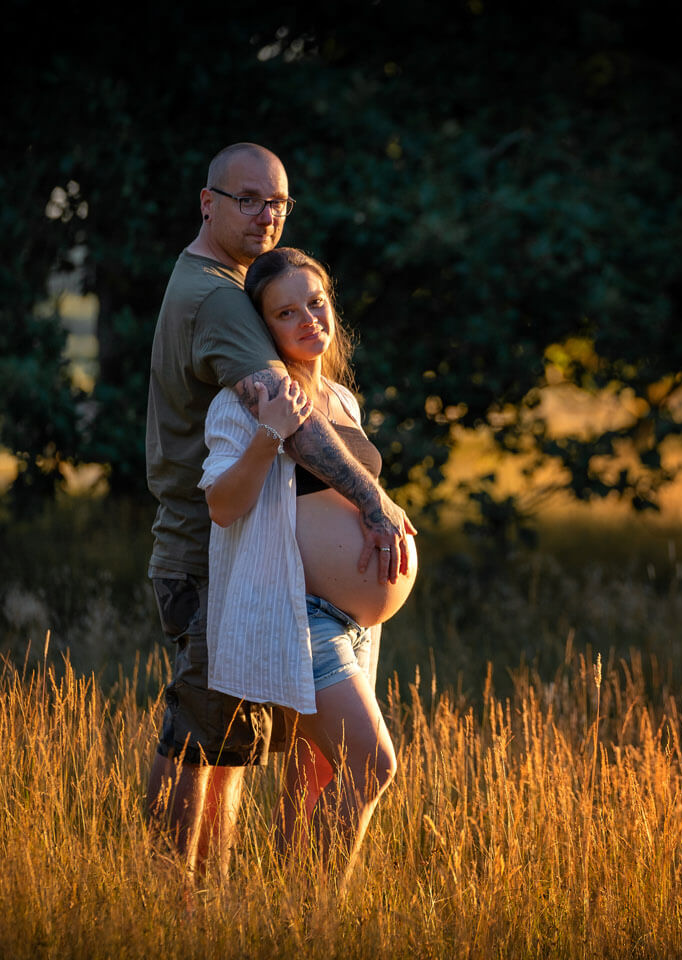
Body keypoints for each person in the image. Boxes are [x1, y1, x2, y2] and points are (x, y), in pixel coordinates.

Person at [143, 143, 414, 878]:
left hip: (279, 584)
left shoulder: (227, 285)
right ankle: (175, 905)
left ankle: (222, 899)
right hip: (211, 558)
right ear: (209, 202)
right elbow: (281, 417)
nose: (265, 215)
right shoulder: (219, 296)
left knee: (230, 751)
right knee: (198, 744)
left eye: (279, 203)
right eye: (248, 199)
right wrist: (375, 501)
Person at [200, 247, 417, 876]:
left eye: (316, 303)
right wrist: (270, 433)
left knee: (316, 778)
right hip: (303, 618)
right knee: (373, 764)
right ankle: (302, 912)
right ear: (261, 328)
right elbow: (220, 505)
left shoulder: (342, 402)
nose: (307, 320)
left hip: (355, 625)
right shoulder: (244, 402)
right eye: (285, 312)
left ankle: (300, 923)